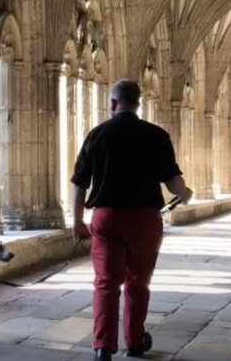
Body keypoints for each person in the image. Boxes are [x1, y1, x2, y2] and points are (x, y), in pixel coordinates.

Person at [70, 79, 193, 360]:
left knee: (106, 282)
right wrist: (184, 193)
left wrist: (78, 221)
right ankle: (135, 342)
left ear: (113, 103)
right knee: (138, 282)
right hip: (144, 221)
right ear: (137, 103)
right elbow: (173, 181)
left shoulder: (97, 134)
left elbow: (79, 183)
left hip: (107, 218)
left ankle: (103, 347)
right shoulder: (156, 135)